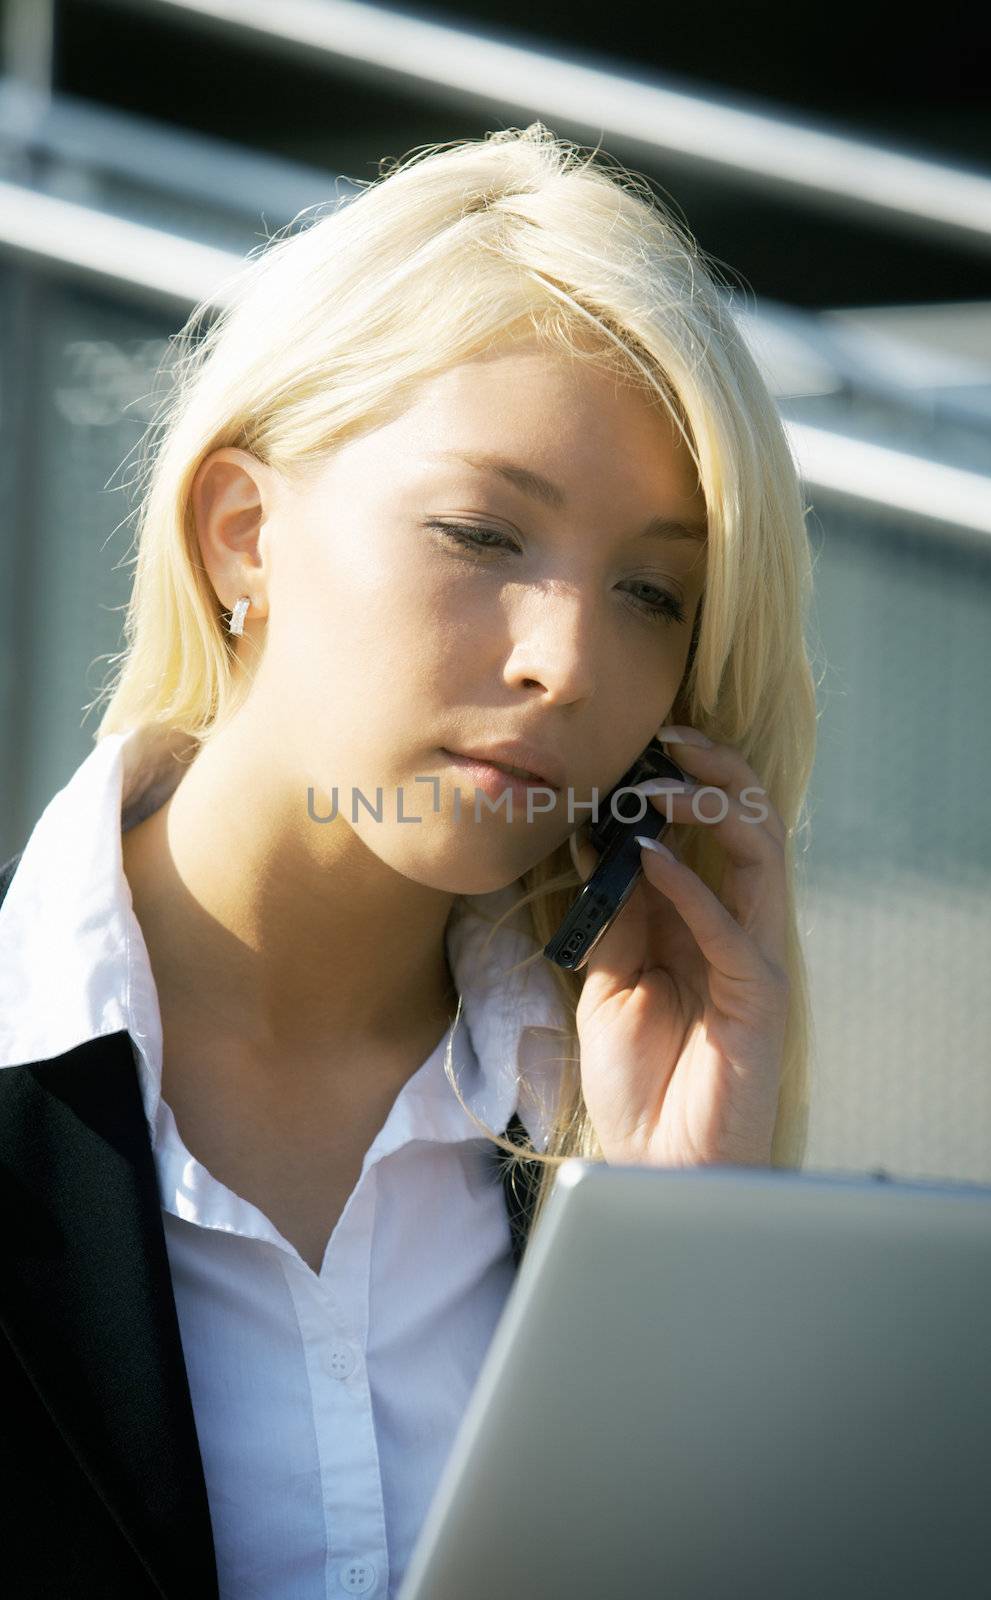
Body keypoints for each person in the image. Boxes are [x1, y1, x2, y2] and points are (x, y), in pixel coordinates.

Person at [0, 122, 818, 1599]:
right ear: (242, 534)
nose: (569, 663)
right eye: (482, 533)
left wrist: (682, 1254)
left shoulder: (615, 1124)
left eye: (653, 591)